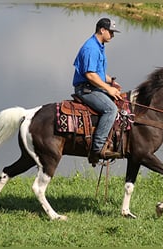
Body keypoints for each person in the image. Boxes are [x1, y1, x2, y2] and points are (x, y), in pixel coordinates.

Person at [72, 17, 122, 165]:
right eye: (111, 32)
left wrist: (111, 82)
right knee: (111, 109)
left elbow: (98, 72)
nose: (112, 35)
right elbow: (90, 75)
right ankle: (97, 149)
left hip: (94, 86)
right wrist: (109, 89)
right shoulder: (91, 48)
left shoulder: (98, 45)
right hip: (86, 89)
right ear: (102, 30)